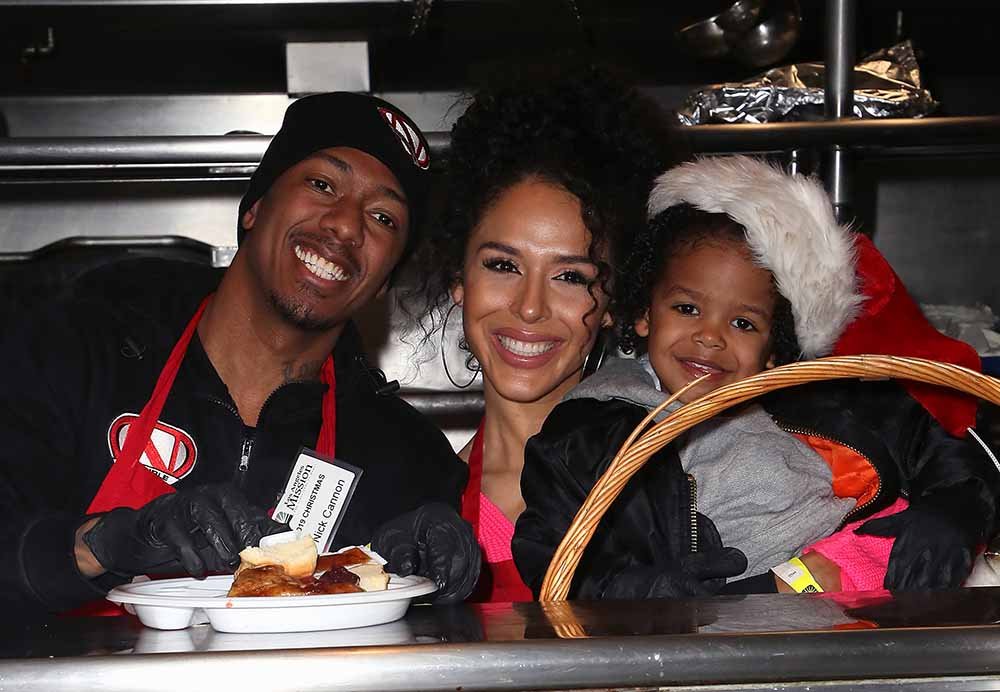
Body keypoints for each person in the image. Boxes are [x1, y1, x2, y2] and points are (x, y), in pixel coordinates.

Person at [0, 92, 479, 615]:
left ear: (388, 278)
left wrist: (417, 588)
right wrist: (101, 545)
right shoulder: (75, 349)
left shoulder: (405, 459)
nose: (346, 225)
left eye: (384, 217)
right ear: (255, 207)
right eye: (322, 184)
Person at [513, 156, 998, 598]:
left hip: (865, 611)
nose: (710, 337)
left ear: (773, 349)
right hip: (710, 631)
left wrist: (957, 510)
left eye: (743, 323)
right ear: (643, 313)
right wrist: (630, 593)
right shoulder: (588, 433)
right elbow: (551, 550)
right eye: (687, 308)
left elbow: (951, 447)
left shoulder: (827, 400)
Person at [413, 65, 679, 601]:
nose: (530, 308)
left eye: (569, 276)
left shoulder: (672, 467)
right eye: (503, 266)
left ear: (611, 302)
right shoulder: (424, 499)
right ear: (458, 279)